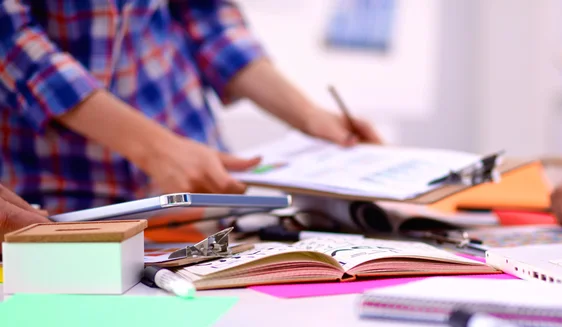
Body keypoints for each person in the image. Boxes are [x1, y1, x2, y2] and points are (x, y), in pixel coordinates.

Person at [0, 1, 382, 215]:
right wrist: (157, 149)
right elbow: (15, 45)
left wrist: (310, 116)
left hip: (196, 167)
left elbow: (206, 15)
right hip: (63, 188)